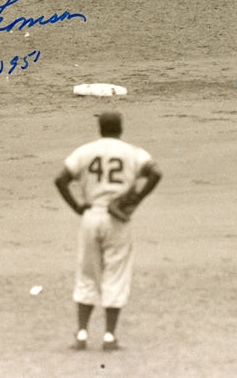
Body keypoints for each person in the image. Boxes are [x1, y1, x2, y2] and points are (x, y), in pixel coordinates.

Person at [54, 111, 162, 352]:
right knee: (116, 274)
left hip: (91, 216)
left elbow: (60, 179)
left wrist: (77, 207)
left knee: (87, 273)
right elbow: (156, 173)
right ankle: (109, 338)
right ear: (120, 128)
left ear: (100, 128)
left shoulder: (85, 151)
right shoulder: (132, 152)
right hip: (117, 219)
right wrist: (135, 199)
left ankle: (81, 335)